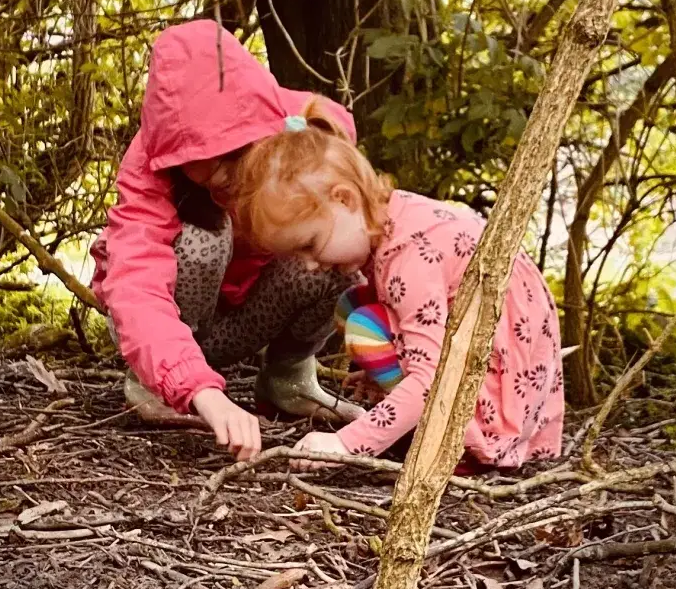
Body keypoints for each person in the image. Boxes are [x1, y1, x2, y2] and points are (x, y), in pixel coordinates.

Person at [231, 100, 565, 471]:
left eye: (308, 244)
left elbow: (429, 381)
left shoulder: (410, 255)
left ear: (344, 198)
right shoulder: (397, 219)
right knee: (354, 304)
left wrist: (346, 443)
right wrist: (386, 374)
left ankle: (454, 445)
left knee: (363, 324)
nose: (309, 265)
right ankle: (426, 425)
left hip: (492, 392)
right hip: (489, 364)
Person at [89, 20, 359, 462]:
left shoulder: (306, 130)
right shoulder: (149, 169)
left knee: (333, 247)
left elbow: (369, 227)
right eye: (201, 166)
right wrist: (197, 388)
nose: (221, 178)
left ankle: (288, 378)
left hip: (240, 325)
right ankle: (155, 387)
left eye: (234, 159)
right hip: (176, 333)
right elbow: (136, 285)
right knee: (205, 237)